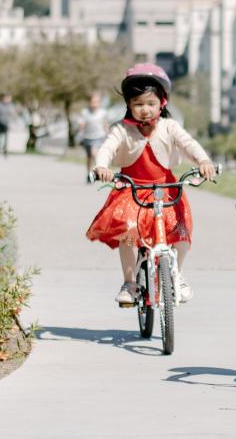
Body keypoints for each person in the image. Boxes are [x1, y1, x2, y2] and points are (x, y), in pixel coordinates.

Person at [86, 63, 216, 306]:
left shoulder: (170, 126)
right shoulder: (121, 129)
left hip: (165, 189)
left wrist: (203, 160)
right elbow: (107, 148)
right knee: (127, 234)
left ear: (162, 103)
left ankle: (177, 273)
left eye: (150, 103)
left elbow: (188, 144)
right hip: (130, 189)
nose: (145, 110)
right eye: (138, 104)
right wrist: (102, 166)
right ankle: (129, 282)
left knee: (180, 232)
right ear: (129, 105)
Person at [76, 91, 109, 183]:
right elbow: (81, 124)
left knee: (94, 153)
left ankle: (97, 172)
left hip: (99, 136)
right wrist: (82, 125)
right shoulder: (85, 112)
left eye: (97, 102)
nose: (94, 104)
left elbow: (105, 125)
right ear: (89, 102)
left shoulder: (103, 113)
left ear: (99, 103)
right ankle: (89, 173)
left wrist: (108, 135)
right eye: (93, 102)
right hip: (87, 137)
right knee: (89, 157)